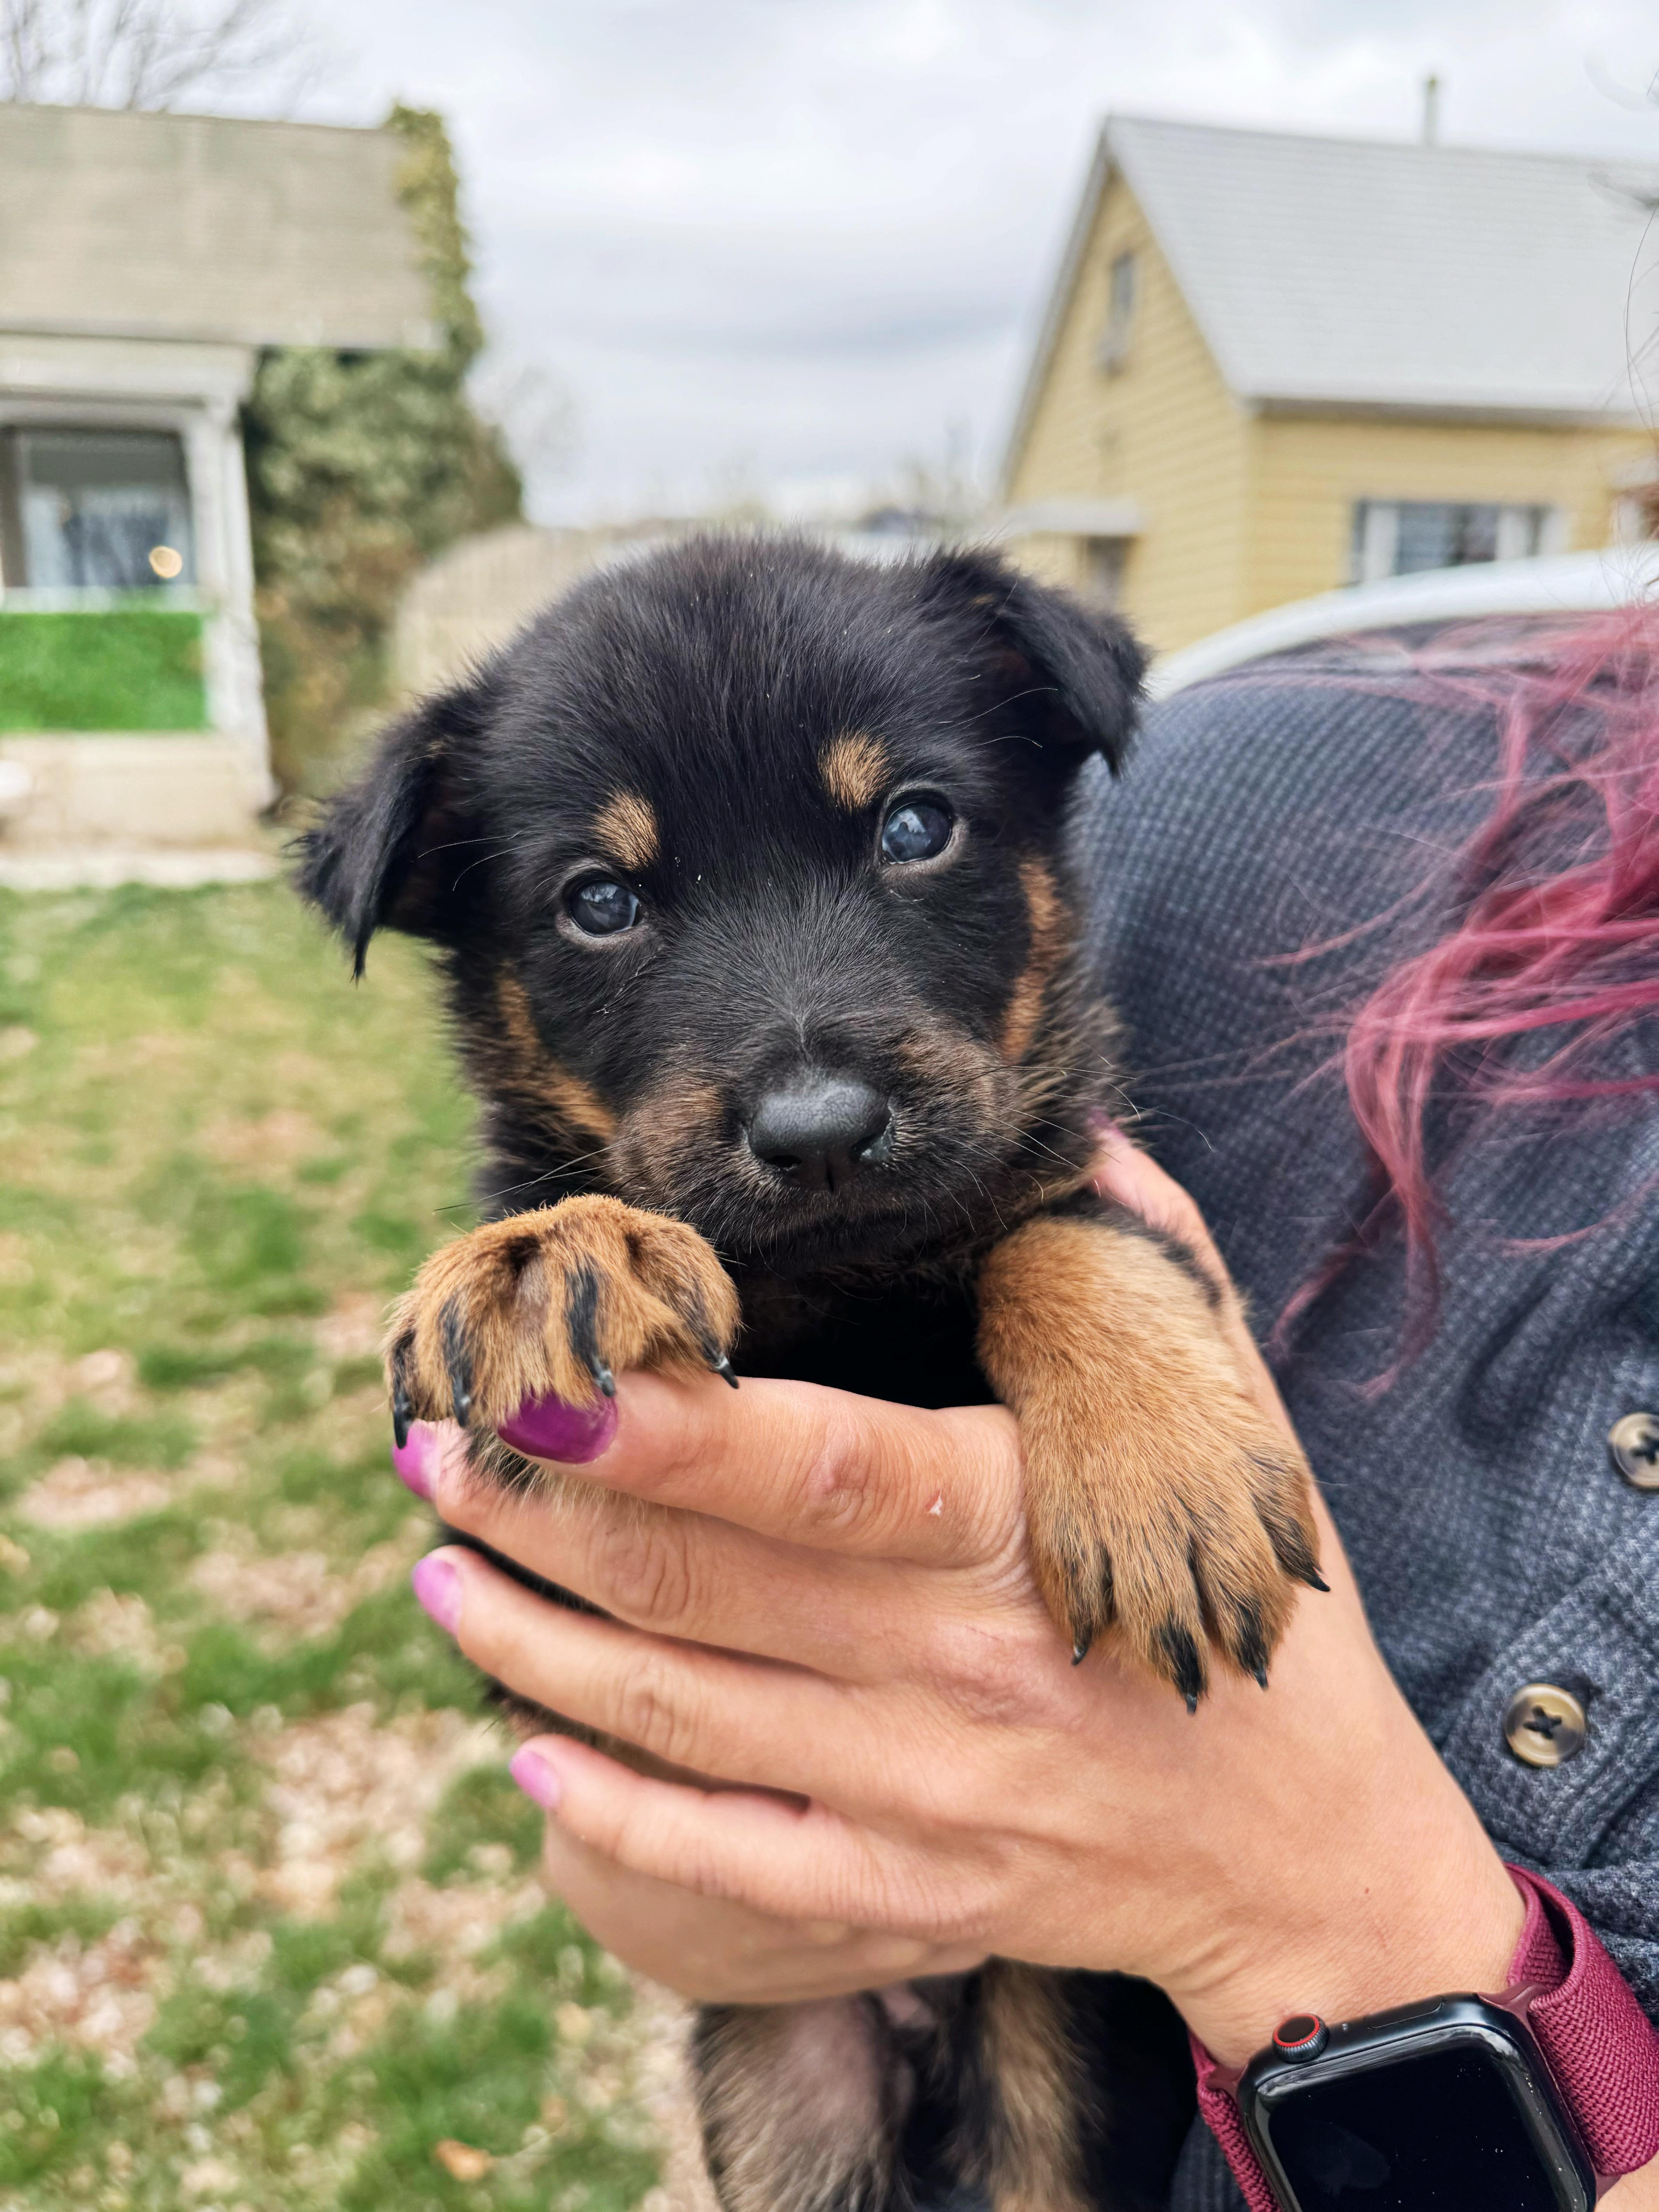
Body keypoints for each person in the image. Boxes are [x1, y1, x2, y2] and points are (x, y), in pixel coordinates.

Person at [392, 612, 1659, 2207]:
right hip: (794, 1999)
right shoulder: (578, 1255)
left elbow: (1073, 1210)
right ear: (475, 961)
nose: (813, 1099)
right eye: (599, 902)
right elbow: (550, 1617)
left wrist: (1094, 1302)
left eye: (912, 830)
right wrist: (639, 1837)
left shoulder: (1059, 1203)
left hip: (1133, 2041)